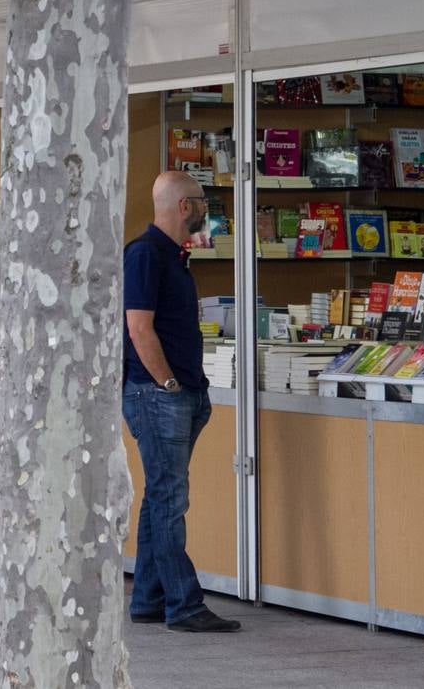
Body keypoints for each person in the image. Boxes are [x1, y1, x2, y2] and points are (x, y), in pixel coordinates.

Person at [123, 172, 240, 633]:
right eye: (203, 201)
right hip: (157, 395)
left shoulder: (174, 257)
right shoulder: (145, 254)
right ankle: (185, 604)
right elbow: (138, 327)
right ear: (184, 206)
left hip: (180, 392)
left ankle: (149, 598)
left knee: (160, 498)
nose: (207, 208)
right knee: (170, 499)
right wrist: (168, 384)